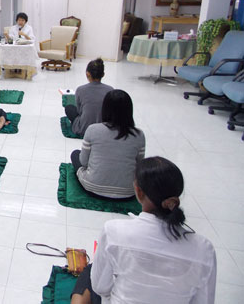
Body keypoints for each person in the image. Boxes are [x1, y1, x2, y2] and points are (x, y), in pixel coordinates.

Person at [71, 157, 216, 304]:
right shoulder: (204, 249)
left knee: (90, 271)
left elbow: (100, 287)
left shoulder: (114, 232)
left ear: (139, 192)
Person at [70, 89, 145, 199]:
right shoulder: (139, 134)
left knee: (75, 154)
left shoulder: (93, 129)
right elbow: (139, 164)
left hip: (93, 186)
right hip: (129, 191)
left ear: (105, 109)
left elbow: (83, 162)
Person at [64, 58, 113, 136]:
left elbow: (79, 111)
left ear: (87, 74)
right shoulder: (110, 90)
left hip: (84, 129)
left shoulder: (80, 89)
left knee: (69, 108)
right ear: (103, 74)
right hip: (103, 130)